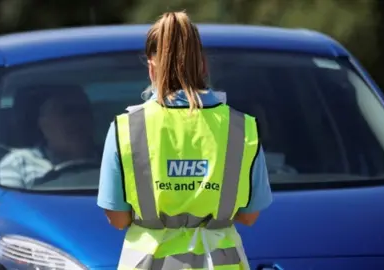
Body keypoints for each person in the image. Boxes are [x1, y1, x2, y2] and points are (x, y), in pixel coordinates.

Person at [97, 11, 272, 270]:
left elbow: (118, 218)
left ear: (151, 67)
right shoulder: (241, 128)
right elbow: (249, 215)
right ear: (203, 65)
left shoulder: (126, 128)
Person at [0, 86, 98, 188]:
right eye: (67, 111)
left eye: (84, 111)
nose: (78, 119)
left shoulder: (112, 159)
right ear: (43, 123)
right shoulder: (18, 164)